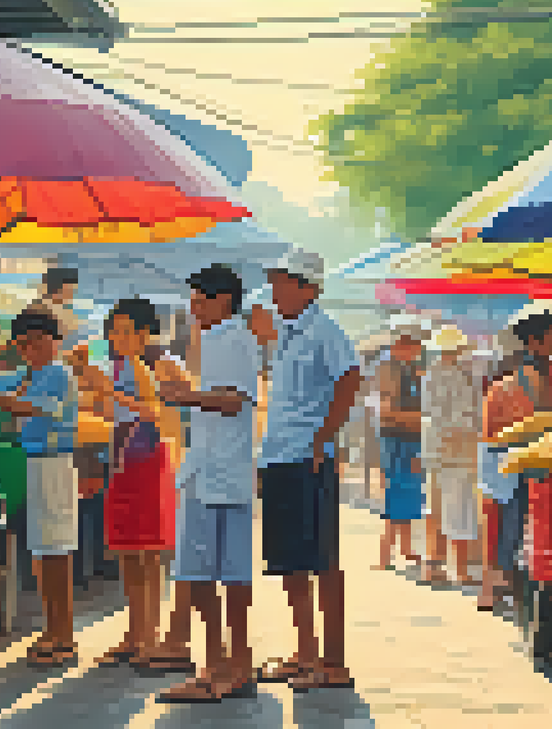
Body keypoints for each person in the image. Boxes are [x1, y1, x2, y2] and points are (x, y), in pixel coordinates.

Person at [250, 249, 363, 691]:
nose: (275, 288)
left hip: (307, 457)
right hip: (280, 455)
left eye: (282, 281)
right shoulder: (286, 333)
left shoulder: (324, 329)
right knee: (290, 561)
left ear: (307, 287)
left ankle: (333, 662)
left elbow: (350, 377)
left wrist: (323, 436)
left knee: (322, 558)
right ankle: (305, 652)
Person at [154, 265, 259, 702]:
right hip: (217, 470)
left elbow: (234, 401)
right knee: (224, 575)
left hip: (216, 473)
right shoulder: (223, 338)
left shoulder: (232, 339)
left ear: (223, 301)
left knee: (205, 574)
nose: (194, 308)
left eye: (200, 301)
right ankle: (232, 665)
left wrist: (185, 395)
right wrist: (191, 393)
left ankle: (218, 667)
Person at [0, 309, 81, 666]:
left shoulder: (56, 372)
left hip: (53, 463)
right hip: (38, 463)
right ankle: (53, 627)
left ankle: (63, 633)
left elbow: (40, 408)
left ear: (54, 341)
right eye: (23, 345)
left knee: (55, 552)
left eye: (37, 343)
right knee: (44, 552)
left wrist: (3, 401)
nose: (30, 350)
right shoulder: (32, 373)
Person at [90, 297, 179, 670]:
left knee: (147, 550)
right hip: (123, 453)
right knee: (127, 548)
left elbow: (154, 410)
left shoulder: (153, 364)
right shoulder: (118, 366)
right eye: (114, 330)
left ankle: (149, 634)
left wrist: (107, 390)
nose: (118, 337)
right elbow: (110, 412)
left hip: (147, 455)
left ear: (144, 334)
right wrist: (96, 388)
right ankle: (133, 632)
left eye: (126, 331)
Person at [477, 312, 552, 612]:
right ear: (535, 341)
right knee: (509, 528)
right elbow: (491, 432)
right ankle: (502, 587)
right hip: (516, 466)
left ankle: (516, 590)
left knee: (529, 532)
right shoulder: (507, 382)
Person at [421, 328, 483, 586]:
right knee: (459, 510)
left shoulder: (429, 375)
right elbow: (465, 416)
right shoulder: (459, 377)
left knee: (435, 509)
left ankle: (432, 565)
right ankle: (460, 570)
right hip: (458, 450)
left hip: (435, 449)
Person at [375, 326, 426, 572]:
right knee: (396, 494)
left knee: (409, 494)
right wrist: (425, 418)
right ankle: (386, 554)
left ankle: (405, 548)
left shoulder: (409, 369)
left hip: (411, 438)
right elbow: (386, 412)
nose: (418, 349)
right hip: (397, 439)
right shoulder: (388, 368)